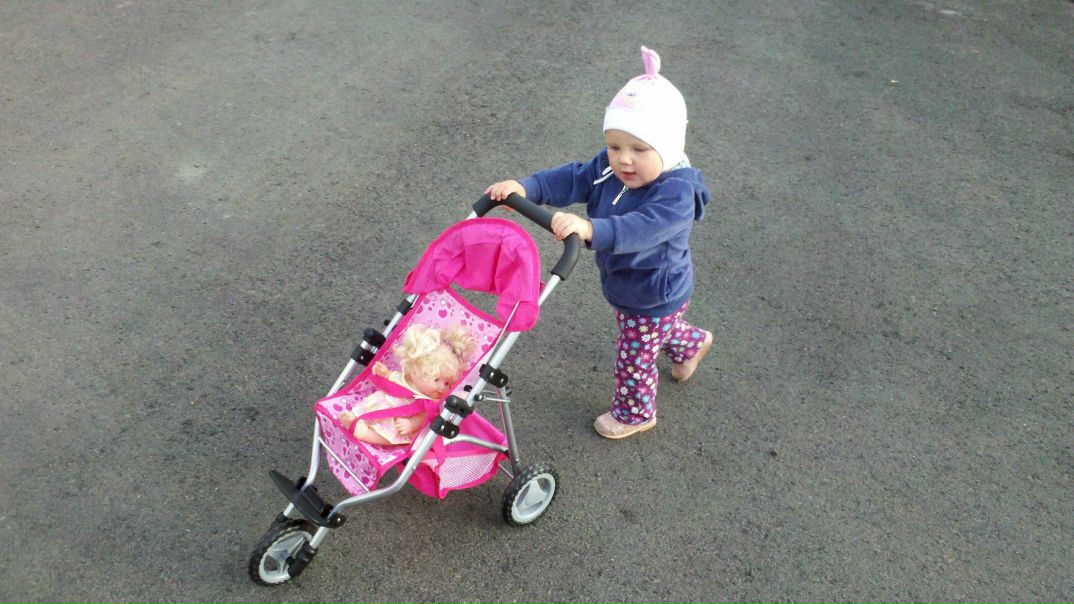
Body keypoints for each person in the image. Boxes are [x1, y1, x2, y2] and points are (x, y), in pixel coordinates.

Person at [485, 46, 713, 440]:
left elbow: (642, 228)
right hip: (627, 283)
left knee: (634, 356)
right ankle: (690, 343)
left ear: (668, 147)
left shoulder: (676, 194)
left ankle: (635, 413)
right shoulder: (611, 167)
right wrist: (528, 187)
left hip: (654, 291)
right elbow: (574, 178)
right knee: (651, 332)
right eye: (615, 146)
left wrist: (592, 229)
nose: (623, 160)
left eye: (639, 149)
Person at [339, 323, 477, 445]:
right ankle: (355, 418)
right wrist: (385, 373)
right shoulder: (405, 379)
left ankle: (367, 435)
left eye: (447, 383)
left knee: (391, 434)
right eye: (437, 380)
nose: (442, 387)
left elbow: (423, 417)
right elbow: (393, 377)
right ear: (416, 372)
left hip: (398, 419)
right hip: (382, 404)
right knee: (369, 407)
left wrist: (411, 424)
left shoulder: (428, 401)